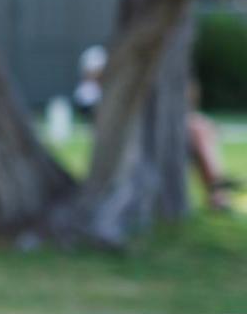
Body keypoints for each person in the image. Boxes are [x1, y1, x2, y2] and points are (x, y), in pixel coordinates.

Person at [74, 45, 239, 210]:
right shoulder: (88, 92)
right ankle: (217, 190)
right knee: (198, 129)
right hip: (133, 143)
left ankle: (217, 190)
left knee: (199, 127)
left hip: (146, 137)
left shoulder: (123, 88)